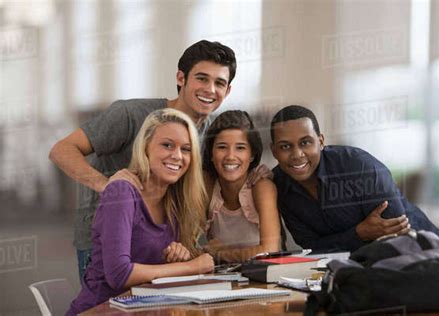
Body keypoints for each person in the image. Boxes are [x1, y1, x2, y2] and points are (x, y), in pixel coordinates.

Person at [49, 40, 236, 280]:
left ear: (227, 91)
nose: (210, 89)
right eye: (202, 78)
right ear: (181, 78)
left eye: (219, 83)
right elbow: (62, 149)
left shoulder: (211, 133)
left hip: (158, 242)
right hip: (107, 242)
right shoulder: (129, 114)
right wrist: (106, 185)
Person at [67, 109, 214, 315]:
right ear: (145, 147)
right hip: (100, 310)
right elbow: (119, 274)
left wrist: (180, 255)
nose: (177, 156)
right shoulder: (122, 192)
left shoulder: (174, 200)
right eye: (167, 145)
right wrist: (190, 267)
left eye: (186, 149)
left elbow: (150, 266)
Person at [270, 105, 439, 252]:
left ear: (321, 142)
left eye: (305, 142)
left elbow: (396, 232)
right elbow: (311, 249)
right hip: (356, 273)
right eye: (285, 146)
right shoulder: (279, 185)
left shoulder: (358, 167)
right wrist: (359, 233)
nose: (297, 155)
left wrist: (349, 238)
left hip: (427, 254)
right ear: (274, 151)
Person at [201, 110, 281, 262]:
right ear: (211, 154)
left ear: (252, 155)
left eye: (240, 148)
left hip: (264, 279)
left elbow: (270, 251)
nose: (230, 156)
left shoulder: (261, 186)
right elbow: (189, 242)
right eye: (222, 147)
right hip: (222, 280)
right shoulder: (207, 185)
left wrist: (222, 254)